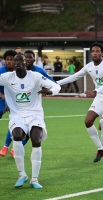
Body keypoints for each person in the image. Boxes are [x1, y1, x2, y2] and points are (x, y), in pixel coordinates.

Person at [0, 53, 61, 188]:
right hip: (17, 115)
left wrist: (50, 91)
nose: (17, 63)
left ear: (25, 64)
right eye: (15, 61)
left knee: (36, 139)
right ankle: (22, 174)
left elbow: (56, 86)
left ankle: (34, 179)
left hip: (35, 115)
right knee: (17, 136)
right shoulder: (6, 77)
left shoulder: (35, 76)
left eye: (20, 61)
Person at [57, 42, 103, 163]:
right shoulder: (89, 66)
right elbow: (74, 77)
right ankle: (101, 149)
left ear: (102, 53)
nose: (95, 53)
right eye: (93, 51)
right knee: (88, 121)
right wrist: (57, 83)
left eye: (97, 51)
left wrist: (95, 91)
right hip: (100, 97)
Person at [0, 50, 55, 157]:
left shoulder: (38, 72)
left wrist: (52, 89)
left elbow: (51, 82)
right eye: (25, 58)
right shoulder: (8, 73)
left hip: (32, 105)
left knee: (30, 128)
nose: (27, 60)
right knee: (16, 125)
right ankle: (6, 146)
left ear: (33, 60)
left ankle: (16, 148)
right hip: (12, 102)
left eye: (29, 58)